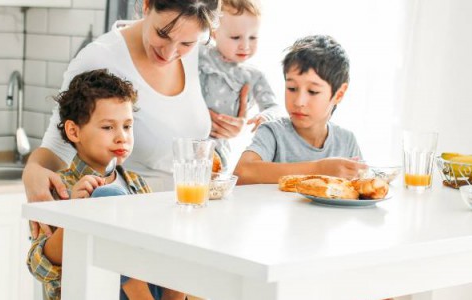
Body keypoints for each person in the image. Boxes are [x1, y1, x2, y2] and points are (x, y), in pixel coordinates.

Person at [24, 0, 221, 236]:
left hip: (186, 224)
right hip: (131, 227)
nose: (170, 52)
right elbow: (58, 146)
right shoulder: (99, 57)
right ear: (147, 5)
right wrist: (32, 170)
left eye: (187, 43)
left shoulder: (191, 47)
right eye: (162, 34)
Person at [26, 69, 186, 300]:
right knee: (107, 197)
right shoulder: (59, 188)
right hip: (91, 293)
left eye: (127, 126)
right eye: (108, 127)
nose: (122, 137)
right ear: (73, 131)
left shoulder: (137, 184)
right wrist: (75, 215)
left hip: (156, 289)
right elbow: (39, 266)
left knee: (174, 233)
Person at [234, 35, 366, 184]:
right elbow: (242, 172)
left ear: (339, 94)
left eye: (313, 91)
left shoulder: (346, 141)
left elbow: (362, 186)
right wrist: (318, 170)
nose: (299, 101)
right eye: (292, 88)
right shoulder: (273, 133)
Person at [199, 0, 284, 166]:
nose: (245, 46)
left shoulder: (253, 75)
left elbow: (274, 107)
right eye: (235, 37)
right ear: (214, 33)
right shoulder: (200, 53)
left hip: (217, 146)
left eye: (253, 37)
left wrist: (264, 116)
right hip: (185, 136)